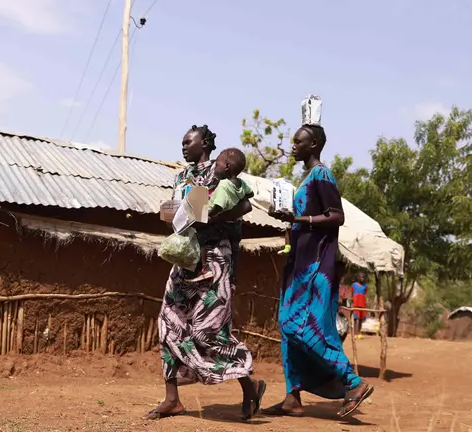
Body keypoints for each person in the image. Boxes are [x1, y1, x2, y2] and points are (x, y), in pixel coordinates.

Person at [145, 125, 266, 422]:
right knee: (168, 321)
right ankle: (172, 399)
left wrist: (208, 218)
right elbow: (177, 212)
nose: (184, 146)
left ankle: (250, 385)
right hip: (185, 258)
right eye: (183, 141)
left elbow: (245, 206)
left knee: (208, 332)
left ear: (206, 143)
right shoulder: (182, 176)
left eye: (189, 141)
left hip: (215, 260)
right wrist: (172, 215)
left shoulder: (223, 167)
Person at [263, 123, 372, 419]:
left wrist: (299, 217)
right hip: (298, 264)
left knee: (296, 324)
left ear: (314, 145)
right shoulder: (306, 178)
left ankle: (352, 381)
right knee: (287, 327)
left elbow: (336, 216)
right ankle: (292, 397)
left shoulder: (322, 174)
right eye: (293, 141)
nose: (293, 145)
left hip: (315, 266)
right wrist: (288, 221)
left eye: (299, 141)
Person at [186, 148, 253, 283]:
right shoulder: (241, 183)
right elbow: (250, 194)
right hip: (236, 227)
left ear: (227, 166)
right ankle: (233, 275)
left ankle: (206, 268)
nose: (215, 167)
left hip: (223, 226)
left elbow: (219, 206)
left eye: (217, 164)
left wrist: (207, 216)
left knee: (201, 237)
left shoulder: (223, 185)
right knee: (235, 250)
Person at [351, 273, 368, 338]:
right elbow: (351, 293)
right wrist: (351, 301)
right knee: (356, 319)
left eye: (363, 277)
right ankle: (355, 333)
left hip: (362, 305)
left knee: (361, 319)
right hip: (356, 304)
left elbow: (365, 294)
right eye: (361, 277)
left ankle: (359, 332)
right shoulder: (354, 285)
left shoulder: (365, 286)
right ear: (358, 278)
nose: (362, 279)